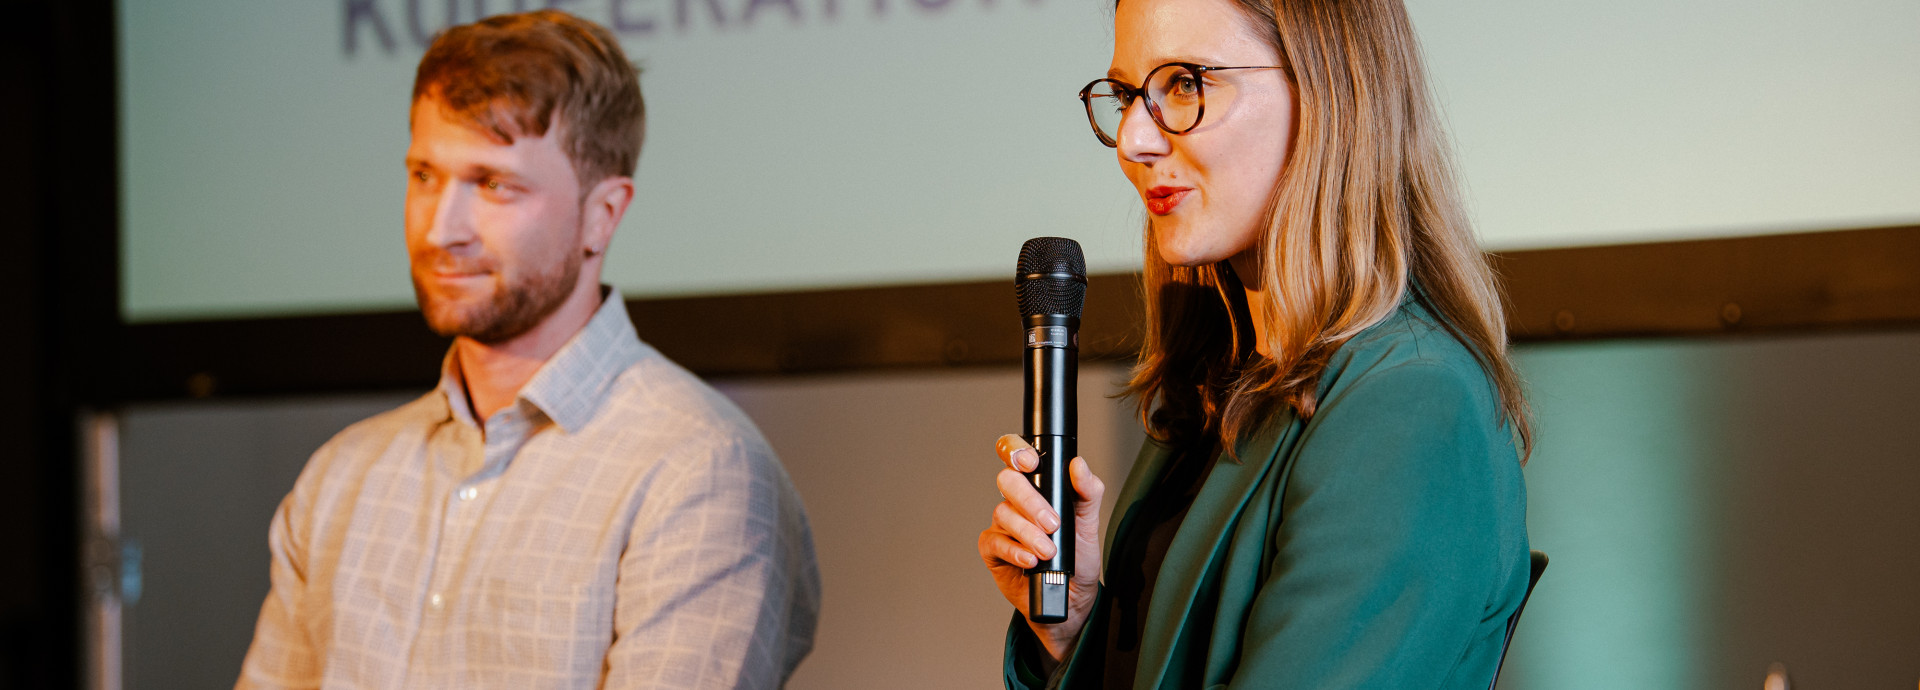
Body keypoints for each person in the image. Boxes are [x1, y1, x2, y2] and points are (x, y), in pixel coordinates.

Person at [236, 11, 819, 689]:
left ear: (603, 214)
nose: (440, 230)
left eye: (493, 184)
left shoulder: (698, 471)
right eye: (424, 175)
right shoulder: (342, 476)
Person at [977, 0, 1532, 687]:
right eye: (1125, 95)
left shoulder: (1410, 402)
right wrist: (1074, 632)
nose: (1132, 141)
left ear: (1329, 91)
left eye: (1184, 84)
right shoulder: (1225, 384)